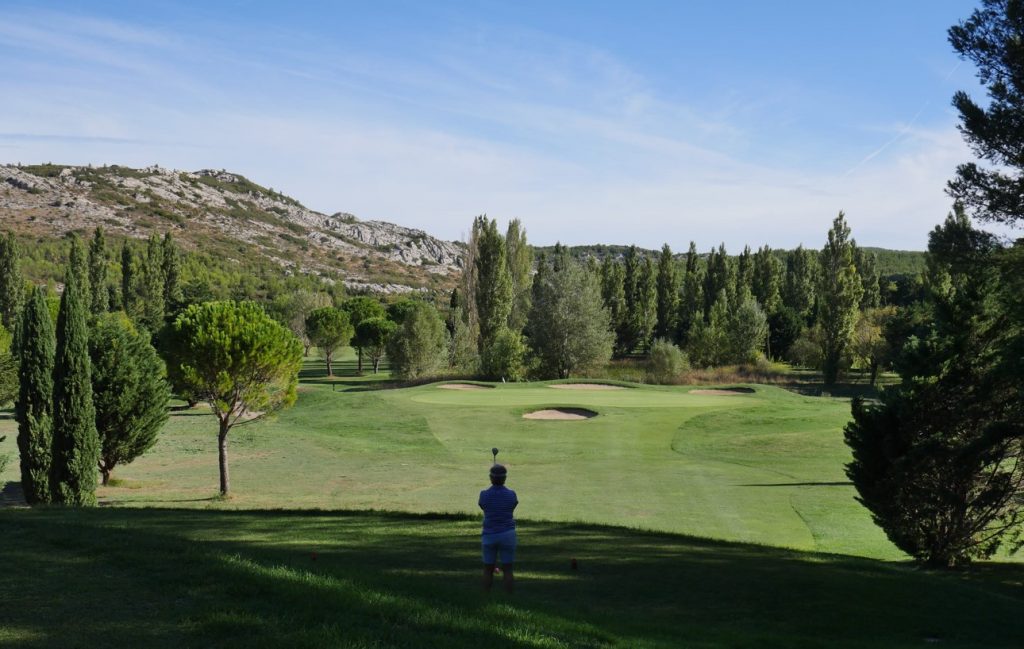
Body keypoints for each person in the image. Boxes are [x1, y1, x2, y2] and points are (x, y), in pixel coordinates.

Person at [479, 463, 517, 593]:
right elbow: (512, 506)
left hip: (489, 534)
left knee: (487, 569)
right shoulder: (511, 494)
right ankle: (509, 598)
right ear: (505, 478)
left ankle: (485, 597)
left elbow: (483, 506)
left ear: (491, 477)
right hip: (508, 534)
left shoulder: (484, 494)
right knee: (508, 569)